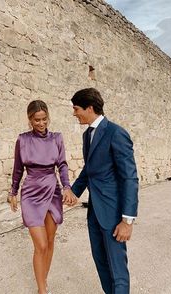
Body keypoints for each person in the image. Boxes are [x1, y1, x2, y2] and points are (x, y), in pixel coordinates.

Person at [66, 88, 139, 294]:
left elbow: (129, 177)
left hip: (114, 214)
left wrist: (127, 221)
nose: (74, 113)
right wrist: (73, 192)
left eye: (76, 109)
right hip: (94, 214)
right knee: (101, 263)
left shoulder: (116, 133)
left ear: (89, 108)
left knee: (117, 269)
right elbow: (89, 170)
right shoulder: (87, 135)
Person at [8, 100, 76, 294]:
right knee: (41, 244)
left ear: (48, 117)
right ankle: (42, 291)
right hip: (31, 192)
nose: (41, 123)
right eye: (37, 120)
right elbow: (18, 169)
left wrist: (66, 187)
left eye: (44, 119)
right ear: (30, 119)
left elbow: (62, 165)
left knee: (51, 241)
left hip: (52, 190)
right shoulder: (22, 140)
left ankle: (42, 281)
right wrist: (13, 192)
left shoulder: (57, 138)